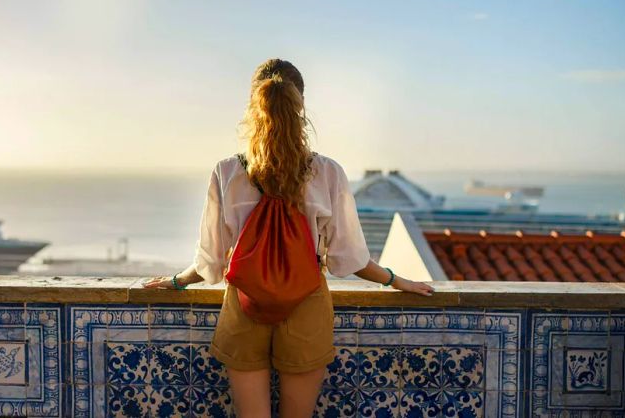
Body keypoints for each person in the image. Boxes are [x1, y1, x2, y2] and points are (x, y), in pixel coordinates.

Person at [144, 58, 434, 418]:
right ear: (301, 106)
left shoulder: (228, 172)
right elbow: (350, 259)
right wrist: (397, 280)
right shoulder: (327, 173)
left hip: (245, 302)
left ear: (253, 106)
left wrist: (176, 280)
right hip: (306, 302)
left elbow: (211, 261)